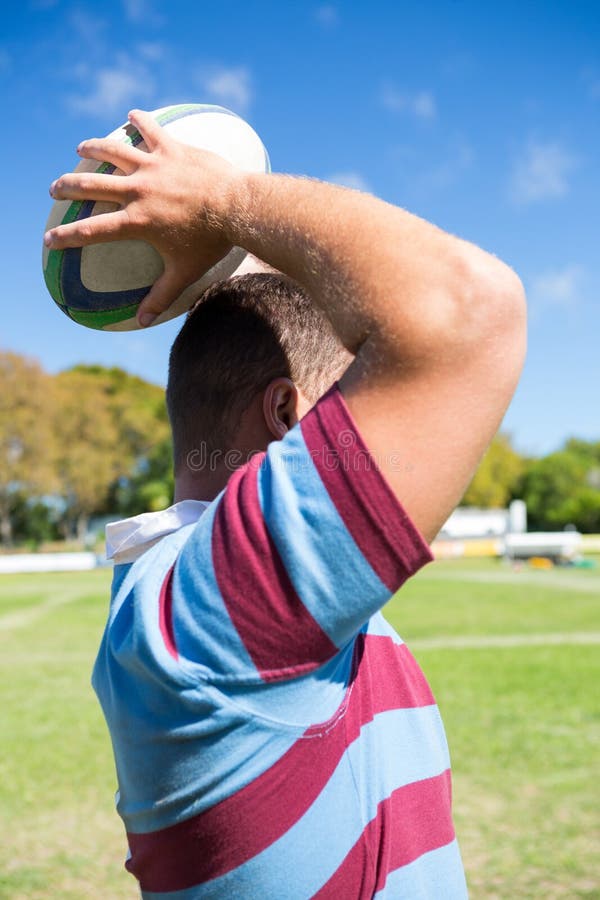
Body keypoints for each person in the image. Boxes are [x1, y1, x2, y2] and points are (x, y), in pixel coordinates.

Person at [46, 110, 526, 898]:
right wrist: (224, 200)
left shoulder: (197, 599)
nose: (381, 426)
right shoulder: (211, 612)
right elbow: (469, 308)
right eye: (355, 398)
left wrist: (224, 259)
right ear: (289, 416)